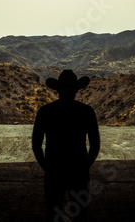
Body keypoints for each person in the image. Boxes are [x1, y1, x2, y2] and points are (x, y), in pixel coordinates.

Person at [32, 70, 100, 222]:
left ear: (57, 90)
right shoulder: (86, 111)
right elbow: (95, 144)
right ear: (77, 90)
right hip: (78, 169)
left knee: (53, 210)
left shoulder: (45, 111)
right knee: (80, 212)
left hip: (54, 169)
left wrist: (46, 168)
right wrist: (85, 166)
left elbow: (36, 144)